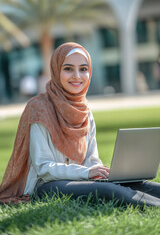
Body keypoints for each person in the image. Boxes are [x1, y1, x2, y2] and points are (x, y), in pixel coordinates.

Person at [0, 42, 160, 207]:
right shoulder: (39, 107)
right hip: (46, 185)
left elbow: (91, 159)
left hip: (81, 179)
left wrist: (101, 172)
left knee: (142, 185)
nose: (77, 76)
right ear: (56, 71)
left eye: (83, 69)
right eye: (68, 69)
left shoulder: (84, 110)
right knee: (111, 191)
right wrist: (88, 173)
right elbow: (43, 168)